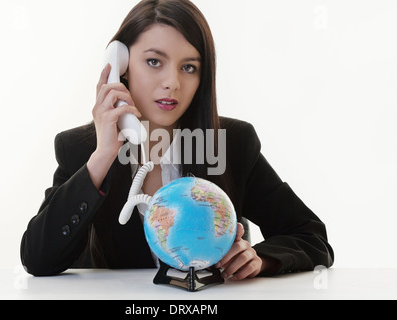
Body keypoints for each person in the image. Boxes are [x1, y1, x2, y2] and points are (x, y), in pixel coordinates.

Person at [20, 0, 334, 279]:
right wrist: (103, 156)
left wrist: (260, 260)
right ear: (122, 68)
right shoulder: (80, 149)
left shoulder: (232, 142)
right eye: (154, 62)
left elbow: (311, 236)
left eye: (189, 67)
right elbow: (38, 259)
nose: (172, 83)